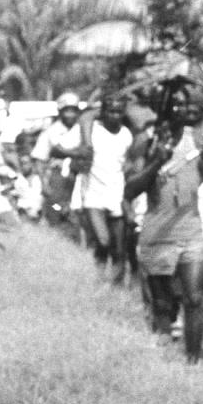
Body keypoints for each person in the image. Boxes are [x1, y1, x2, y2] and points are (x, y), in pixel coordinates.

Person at [125, 80, 203, 363]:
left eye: (191, 105)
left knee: (194, 298)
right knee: (163, 303)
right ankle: (164, 357)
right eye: (178, 104)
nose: (185, 110)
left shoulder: (200, 140)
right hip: (157, 233)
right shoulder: (148, 141)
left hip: (191, 231)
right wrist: (158, 162)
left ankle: (192, 359)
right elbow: (130, 190)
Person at [72, 95, 134, 282]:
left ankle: (116, 285)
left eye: (118, 112)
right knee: (103, 240)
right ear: (103, 112)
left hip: (116, 193)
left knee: (119, 247)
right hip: (94, 193)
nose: (114, 116)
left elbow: (128, 161)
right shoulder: (93, 131)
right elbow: (64, 149)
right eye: (110, 111)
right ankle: (99, 274)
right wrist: (80, 156)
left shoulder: (126, 135)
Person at [31, 91, 84, 224]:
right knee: (54, 206)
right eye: (67, 111)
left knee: (74, 209)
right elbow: (39, 159)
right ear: (60, 111)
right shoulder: (51, 132)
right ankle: (54, 225)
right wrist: (44, 183)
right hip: (57, 176)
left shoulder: (82, 130)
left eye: (74, 111)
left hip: (78, 175)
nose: (70, 115)